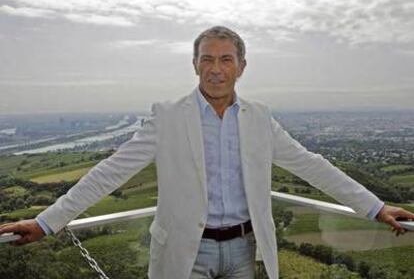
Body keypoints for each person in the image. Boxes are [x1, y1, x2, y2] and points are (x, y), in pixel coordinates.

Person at [0, 26, 413, 279]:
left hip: (241, 250)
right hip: (184, 250)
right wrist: (47, 222)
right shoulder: (166, 117)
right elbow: (108, 173)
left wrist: (376, 208)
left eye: (226, 60)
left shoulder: (259, 117)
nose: (216, 68)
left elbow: (312, 166)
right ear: (195, 65)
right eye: (207, 59)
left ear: (242, 67)